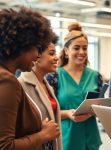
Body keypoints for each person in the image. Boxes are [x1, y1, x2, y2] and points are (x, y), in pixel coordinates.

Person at [0, 7, 60, 150]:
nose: (38, 55)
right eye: (37, 49)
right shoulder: (7, 81)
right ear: (23, 45)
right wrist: (43, 135)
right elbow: (4, 146)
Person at [46, 23, 102, 150]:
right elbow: (46, 111)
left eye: (85, 48)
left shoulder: (95, 76)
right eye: (76, 48)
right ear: (66, 51)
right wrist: (67, 114)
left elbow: (99, 105)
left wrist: (100, 109)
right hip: (67, 139)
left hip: (91, 139)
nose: (81, 52)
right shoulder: (54, 77)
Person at [18, 36, 62, 150]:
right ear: (36, 56)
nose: (56, 58)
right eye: (51, 53)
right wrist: (43, 133)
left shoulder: (47, 85)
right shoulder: (21, 85)